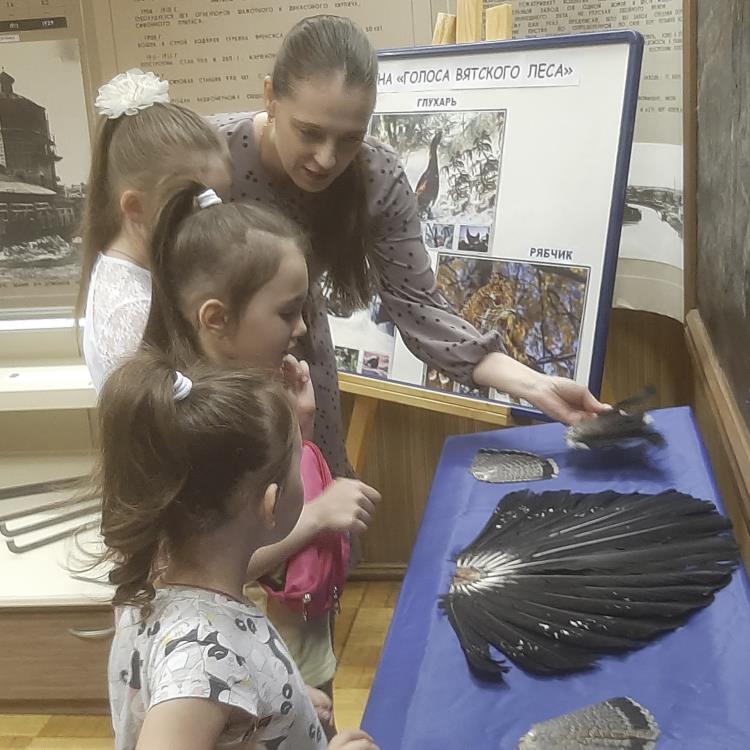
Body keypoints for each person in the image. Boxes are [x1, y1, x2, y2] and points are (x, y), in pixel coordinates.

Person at [209, 14, 609, 479]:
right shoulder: (205, 157)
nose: (327, 159)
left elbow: (419, 307)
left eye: (350, 139)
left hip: (302, 365)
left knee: (319, 494)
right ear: (270, 98)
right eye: (310, 132)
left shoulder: (375, 174)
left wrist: (536, 386)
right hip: (206, 375)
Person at [140, 178, 381, 710]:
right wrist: (317, 516)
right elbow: (208, 571)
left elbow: (267, 500)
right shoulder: (199, 427)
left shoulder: (251, 395)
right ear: (216, 318)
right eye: (287, 312)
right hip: (233, 676)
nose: (302, 329)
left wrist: (299, 426)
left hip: (273, 659)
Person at [94, 351, 378, 750]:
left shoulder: (154, 588)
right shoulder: (201, 661)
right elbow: (201, 679)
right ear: (271, 504)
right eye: (300, 462)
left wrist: (281, 703)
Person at [77, 68, 232, 391]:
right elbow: (174, 414)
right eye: (196, 204)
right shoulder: (132, 309)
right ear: (135, 207)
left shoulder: (143, 275)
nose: (216, 220)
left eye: (222, 200)